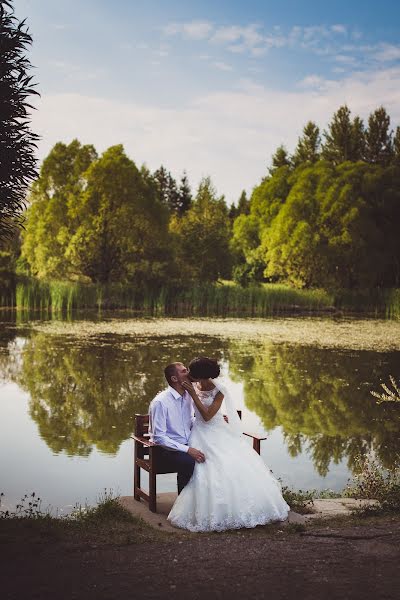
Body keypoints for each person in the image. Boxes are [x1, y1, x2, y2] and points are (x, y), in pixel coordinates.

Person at [167, 357, 290, 532]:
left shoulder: (220, 389)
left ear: (201, 376)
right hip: (199, 432)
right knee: (204, 467)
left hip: (215, 429)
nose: (189, 374)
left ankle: (235, 508)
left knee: (226, 464)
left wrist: (194, 395)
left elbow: (208, 416)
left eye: (192, 372)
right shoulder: (192, 384)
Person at [149, 362, 206, 494]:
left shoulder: (187, 396)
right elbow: (159, 438)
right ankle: (183, 502)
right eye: (184, 371)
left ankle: (202, 501)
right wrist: (188, 450)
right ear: (174, 379)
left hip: (186, 445)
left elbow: (190, 420)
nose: (189, 373)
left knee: (212, 455)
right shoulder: (160, 402)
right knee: (188, 461)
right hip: (164, 451)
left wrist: (215, 420)